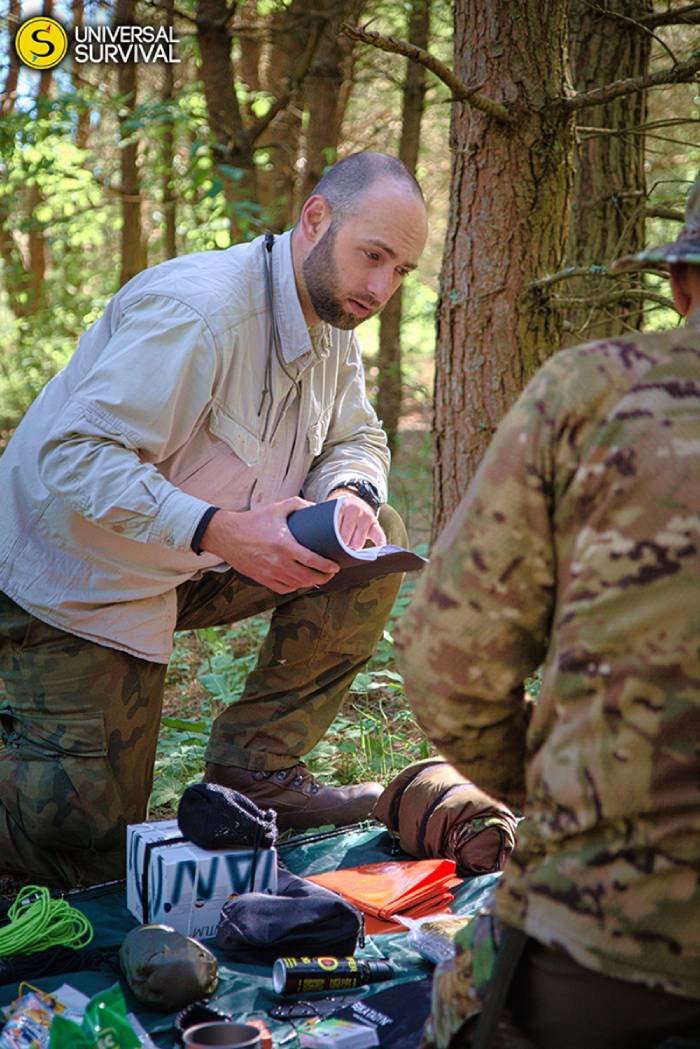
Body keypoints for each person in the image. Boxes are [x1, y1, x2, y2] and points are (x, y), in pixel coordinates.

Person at [0, 151, 428, 888]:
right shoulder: (200, 312)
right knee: (85, 853)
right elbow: (72, 456)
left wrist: (349, 493)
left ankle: (257, 771)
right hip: (74, 577)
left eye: (401, 272)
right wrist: (218, 529)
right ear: (316, 218)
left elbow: (356, 435)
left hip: (192, 559)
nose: (381, 287)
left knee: (373, 535)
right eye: (374, 257)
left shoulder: (334, 319)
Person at [396, 174, 700, 1049]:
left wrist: (573, 788)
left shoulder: (592, 395)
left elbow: (444, 662)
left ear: (681, 285)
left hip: (599, 949)